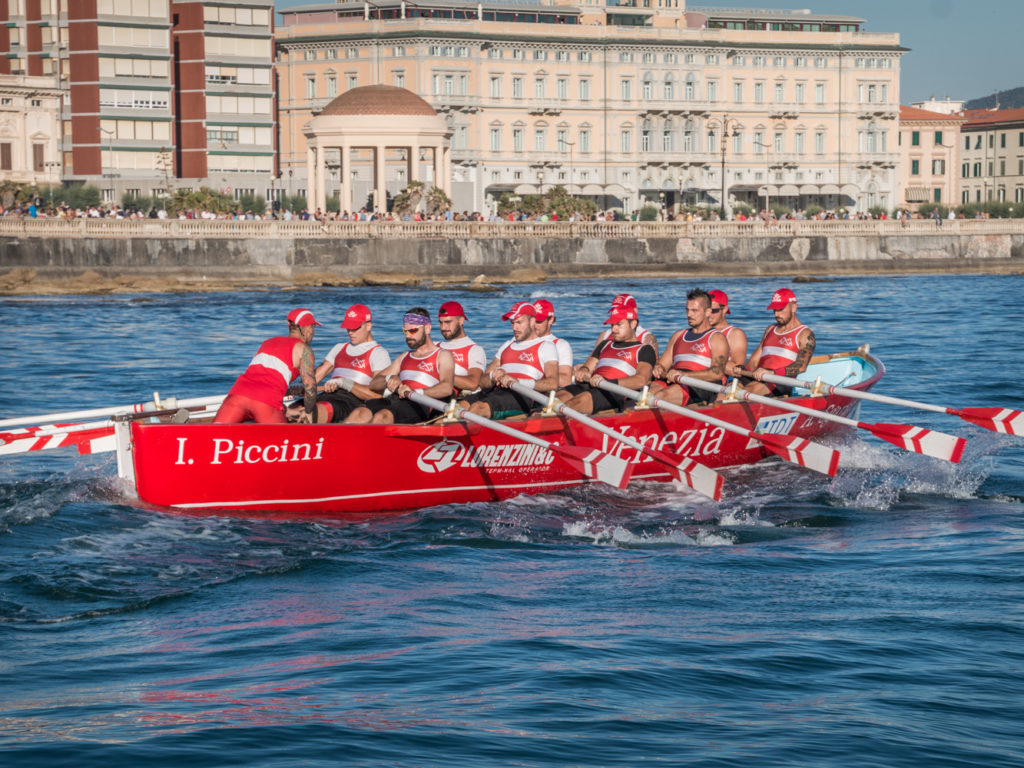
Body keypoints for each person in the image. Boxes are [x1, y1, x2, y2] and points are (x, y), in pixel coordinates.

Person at [346, 307, 455, 424]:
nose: (408, 336)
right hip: (396, 399)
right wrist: (389, 378)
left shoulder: (442, 355)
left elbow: (447, 388)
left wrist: (416, 392)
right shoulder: (403, 357)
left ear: (427, 328)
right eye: (405, 331)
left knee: (382, 416)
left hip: (421, 404)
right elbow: (374, 384)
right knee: (360, 412)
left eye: (413, 330)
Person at [287, 303, 391, 424]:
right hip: (326, 395)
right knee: (289, 409)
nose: (350, 332)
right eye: (348, 327)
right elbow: (313, 379)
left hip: (350, 401)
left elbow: (377, 395)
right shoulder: (339, 348)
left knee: (308, 412)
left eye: (355, 328)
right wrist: (299, 386)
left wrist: (345, 383)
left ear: (368, 326)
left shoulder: (379, 353)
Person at [215, 308, 320, 424]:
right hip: (266, 403)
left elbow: (262, 381)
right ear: (309, 329)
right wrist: (308, 413)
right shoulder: (304, 350)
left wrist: (286, 410)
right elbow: (310, 389)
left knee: (214, 433)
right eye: (313, 328)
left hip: (237, 394)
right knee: (283, 436)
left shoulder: (268, 342)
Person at [461, 301, 559, 419]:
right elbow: (481, 382)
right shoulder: (506, 346)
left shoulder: (546, 346)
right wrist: (492, 376)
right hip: (496, 392)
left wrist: (518, 382)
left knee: (477, 408)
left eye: (519, 322)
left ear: (532, 321)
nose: (514, 328)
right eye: (512, 323)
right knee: (459, 407)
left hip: (523, 396)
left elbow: (553, 383)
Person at [558, 302, 656, 415]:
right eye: (612, 325)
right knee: (557, 399)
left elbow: (641, 380)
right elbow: (588, 367)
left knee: (573, 404)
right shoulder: (605, 344)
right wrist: (583, 370)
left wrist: (608, 382)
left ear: (633, 324)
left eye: (618, 324)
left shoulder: (644, 350)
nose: (614, 329)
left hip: (615, 392)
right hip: (592, 385)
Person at [651, 289, 729, 406]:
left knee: (660, 396)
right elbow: (663, 364)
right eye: (687, 310)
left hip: (701, 385)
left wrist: (685, 375)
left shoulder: (717, 338)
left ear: (708, 312)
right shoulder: (678, 335)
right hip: (677, 380)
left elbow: (717, 373)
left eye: (694, 311)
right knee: (648, 394)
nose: (689, 315)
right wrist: (658, 368)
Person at [742, 287, 816, 397]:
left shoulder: (805, 334)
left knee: (746, 391)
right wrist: (741, 372)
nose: (776, 314)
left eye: (781, 309)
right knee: (728, 389)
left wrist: (771, 373)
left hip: (780, 383)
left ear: (793, 307)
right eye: (774, 310)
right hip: (759, 377)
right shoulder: (770, 329)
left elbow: (801, 366)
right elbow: (753, 361)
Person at [436, 300, 486, 394]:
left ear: (461, 321)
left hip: (448, 396)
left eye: (448, 322)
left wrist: (438, 373)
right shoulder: (435, 345)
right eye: (441, 322)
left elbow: (473, 383)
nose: (443, 327)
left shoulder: (474, 350)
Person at [590, 293, 658, 358]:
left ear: (635, 311)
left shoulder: (646, 337)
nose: (617, 312)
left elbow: (654, 365)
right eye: (615, 309)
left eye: (622, 309)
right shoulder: (604, 335)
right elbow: (591, 361)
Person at [533, 299, 574, 387]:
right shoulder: (517, 341)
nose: (534, 325)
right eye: (532, 320)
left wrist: (528, 376)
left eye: (539, 321)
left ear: (551, 320)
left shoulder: (560, 345)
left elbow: (565, 380)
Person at [708, 289, 748, 378]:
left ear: (725, 309)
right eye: (706, 310)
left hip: (715, 383)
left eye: (713, 311)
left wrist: (704, 357)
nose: (709, 315)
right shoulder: (698, 331)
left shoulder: (735, 334)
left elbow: (737, 371)